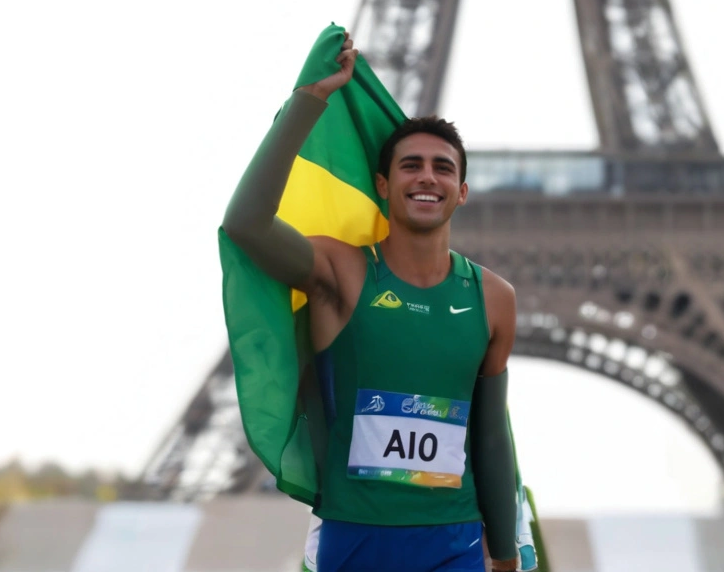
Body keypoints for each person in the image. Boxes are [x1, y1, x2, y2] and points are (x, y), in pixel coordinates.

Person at [222, 32, 520, 572]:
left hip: (454, 543)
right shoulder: (341, 271)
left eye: (443, 167)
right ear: (383, 184)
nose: (427, 176)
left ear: (462, 191)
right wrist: (308, 100)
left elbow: (491, 435)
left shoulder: (494, 298)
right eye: (410, 165)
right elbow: (245, 224)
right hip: (355, 541)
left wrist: (504, 555)